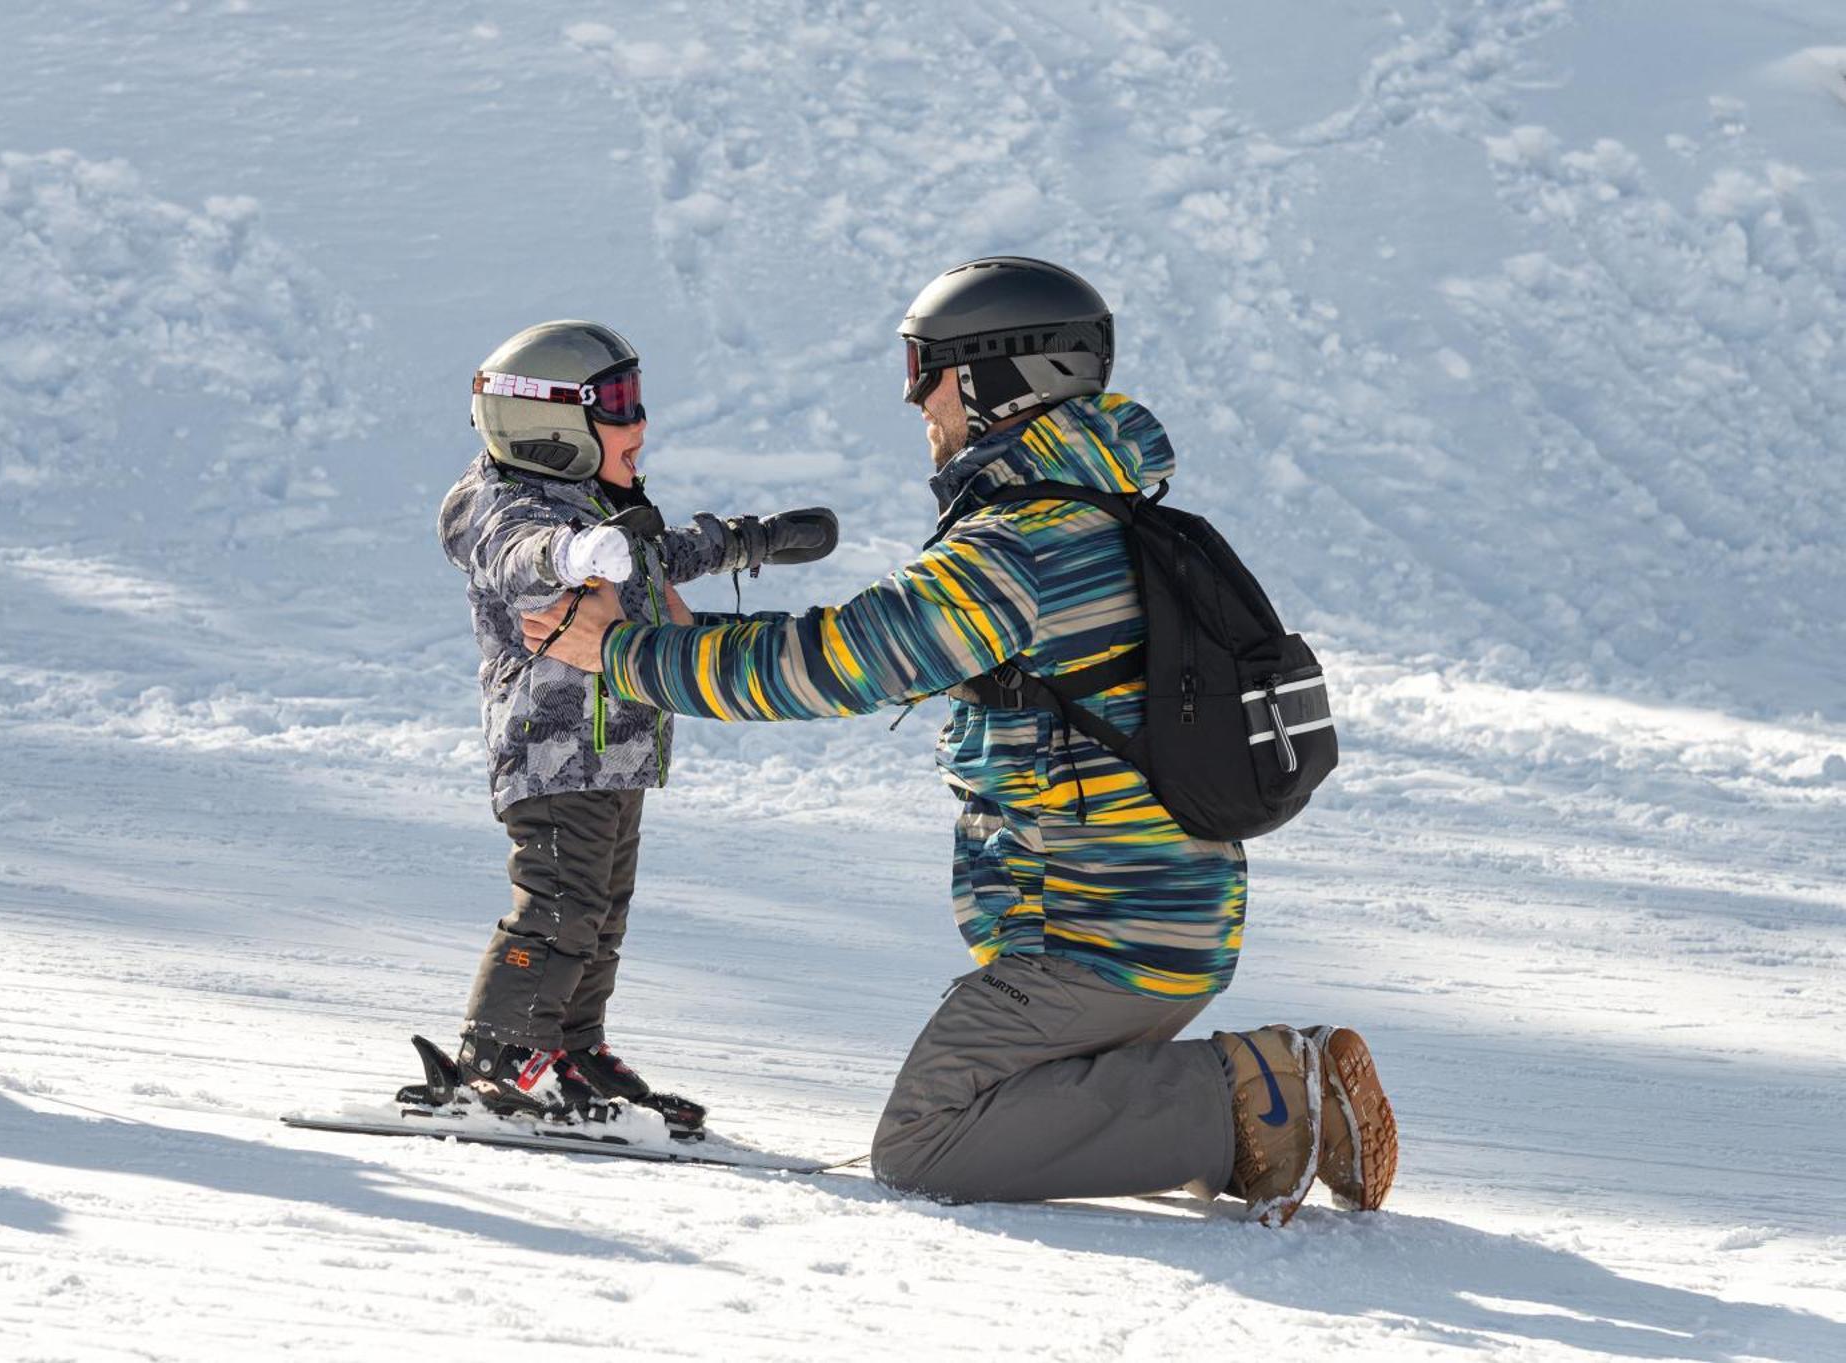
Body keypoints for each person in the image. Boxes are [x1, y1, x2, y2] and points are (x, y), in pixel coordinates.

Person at [521, 260, 1398, 1223]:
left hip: (1100, 945)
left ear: (1000, 377)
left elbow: (836, 661)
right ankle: (1246, 1103)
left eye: (924, 368)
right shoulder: (1092, 512)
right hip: (1151, 924)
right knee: (998, 1116)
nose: (915, 399)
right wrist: (683, 641)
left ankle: (1270, 1098)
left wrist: (625, 652)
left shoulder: (1019, 544)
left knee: (927, 1139)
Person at [437, 319, 837, 1131]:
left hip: (619, 752)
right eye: (617, 406)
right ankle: (500, 1051)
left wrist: (750, 541)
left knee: (601, 912)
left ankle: (572, 1045)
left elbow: (664, 555)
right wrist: (575, 552)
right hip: (554, 757)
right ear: (549, 421)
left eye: (635, 401)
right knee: (558, 903)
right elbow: (521, 553)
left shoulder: (604, 505)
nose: (639, 424)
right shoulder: (499, 507)